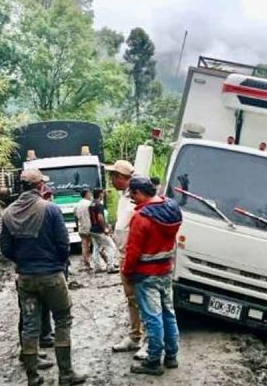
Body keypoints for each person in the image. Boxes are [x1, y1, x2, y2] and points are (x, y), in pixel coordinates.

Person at [0, 169, 87, 386]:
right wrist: (57, 264)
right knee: (62, 319)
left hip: (25, 278)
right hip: (51, 276)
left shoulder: (8, 213)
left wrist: (23, 262)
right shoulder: (51, 209)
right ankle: (65, 374)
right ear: (40, 186)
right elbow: (63, 244)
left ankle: (33, 378)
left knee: (30, 325)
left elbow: (5, 249)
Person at [122, 176, 183, 375]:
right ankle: (172, 356)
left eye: (132, 193)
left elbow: (133, 251)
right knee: (168, 314)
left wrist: (126, 273)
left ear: (139, 192)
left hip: (146, 275)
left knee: (152, 318)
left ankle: (153, 360)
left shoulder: (141, 218)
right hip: (166, 271)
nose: (131, 197)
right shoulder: (171, 209)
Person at [105, 160, 147, 360]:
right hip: (125, 254)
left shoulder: (137, 196)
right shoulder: (123, 196)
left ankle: (148, 340)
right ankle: (135, 336)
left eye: (114, 176)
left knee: (144, 299)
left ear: (122, 177)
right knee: (131, 299)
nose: (111, 180)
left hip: (136, 256)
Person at [88, 188, 117, 273]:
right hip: (99, 230)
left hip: (92, 229)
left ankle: (97, 267)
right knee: (111, 247)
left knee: (96, 248)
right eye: (102, 193)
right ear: (100, 194)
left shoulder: (91, 204)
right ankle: (110, 267)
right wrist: (105, 229)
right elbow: (100, 217)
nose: (103, 195)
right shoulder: (99, 205)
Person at [74, 188, 94, 270]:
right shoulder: (90, 204)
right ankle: (105, 262)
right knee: (97, 245)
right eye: (90, 194)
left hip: (82, 228)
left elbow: (75, 217)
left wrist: (78, 226)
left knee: (84, 246)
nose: (91, 195)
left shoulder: (77, 205)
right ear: (87, 194)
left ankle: (86, 263)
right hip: (91, 227)